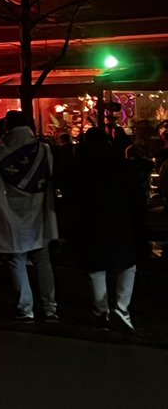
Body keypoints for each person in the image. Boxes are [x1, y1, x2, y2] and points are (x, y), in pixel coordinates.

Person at [68, 127, 147, 331]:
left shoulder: (80, 168)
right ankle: (121, 307)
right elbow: (137, 198)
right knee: (128, 265)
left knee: (96, 269)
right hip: (121, 222)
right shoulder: (122, 166)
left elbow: (73, 198)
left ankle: (101, 312)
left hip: (91, 224)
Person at [0, 111, 58, 322]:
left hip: (10, 212)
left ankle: (25, 308)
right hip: (39, 211)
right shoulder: (43, 150)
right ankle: (50, 308)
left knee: (16, 259)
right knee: (43, 262)